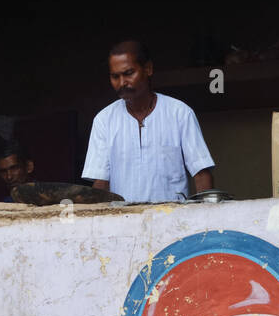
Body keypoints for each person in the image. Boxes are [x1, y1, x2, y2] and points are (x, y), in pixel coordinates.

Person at [82, 39, 215, 203]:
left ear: (148, 69)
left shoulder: (180, 113)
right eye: (115, 76)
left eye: (129, 73)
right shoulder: (103, 120)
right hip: (122, 221)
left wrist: (207, 219)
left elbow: (201, 174)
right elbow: (100, 183)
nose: (122, 83)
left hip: (174, 221)